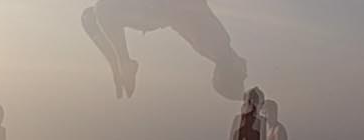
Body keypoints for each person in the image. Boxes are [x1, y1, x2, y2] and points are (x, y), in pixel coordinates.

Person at [81, 0, 247, 99]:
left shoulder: (219, 47)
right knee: (91, 16)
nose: (246, 73)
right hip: (164, 10)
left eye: (242, 77)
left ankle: (123, 63)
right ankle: (119, 65)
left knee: (103, 10)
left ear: (232, 71)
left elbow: (193, 16)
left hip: (163, 9)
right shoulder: (220, 49)